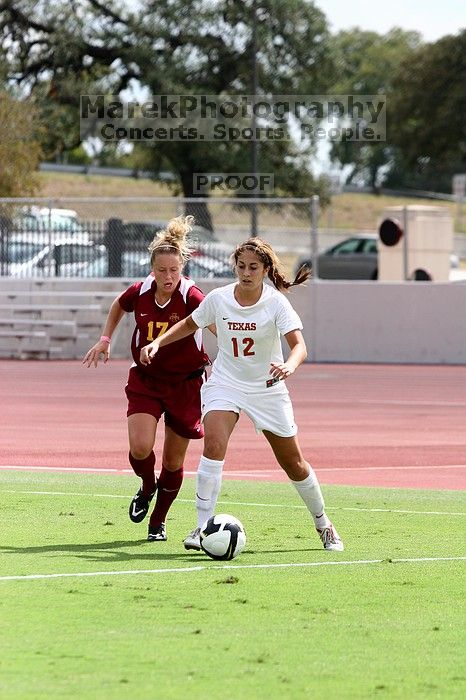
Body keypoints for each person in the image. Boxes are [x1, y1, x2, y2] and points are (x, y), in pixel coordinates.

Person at [140, 237, 344, 552]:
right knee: (214, 444)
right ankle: (201, 528)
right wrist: (158, 342)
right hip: (226, 382)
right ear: (234, 266)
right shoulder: (219, 299)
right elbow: (189, 324)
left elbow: (299, 346)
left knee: (293, 463)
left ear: (265, 270)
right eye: (241, 266)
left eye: (253, 267)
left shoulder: (275, 302)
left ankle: (323, 523)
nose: (246, 273)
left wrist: (289, 366)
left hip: (267, 389)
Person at [83, 215, 213, 542]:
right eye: (162, 270)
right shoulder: (140, 291)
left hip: (186, 383)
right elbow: (118, 305)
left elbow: (215, 322)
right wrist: (105, 339)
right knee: (140, 448)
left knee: (172, 459)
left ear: (182, 268)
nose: (168, 276)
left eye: (174, 270)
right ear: (152, 269)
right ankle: (146, 486)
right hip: (146, 379)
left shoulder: (192, 296)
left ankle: (158, 521)